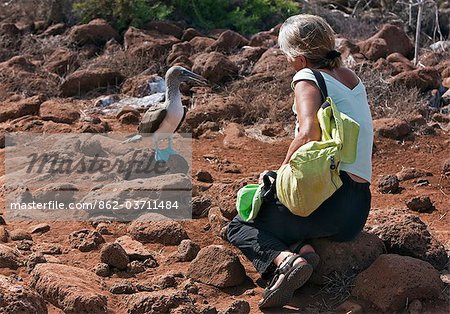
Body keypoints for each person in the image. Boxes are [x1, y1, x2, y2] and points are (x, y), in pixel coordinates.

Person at [225, 14, 374, 309]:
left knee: (240, 226)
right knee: (282, 219)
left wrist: (281, 174)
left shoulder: (307, 77)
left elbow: (308, 134)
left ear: (300, 56)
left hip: (329, 197)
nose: (287, 62)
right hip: (356, 211)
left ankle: (285, 261)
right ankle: (303, 251)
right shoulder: (352, 79)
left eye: (287, 56)